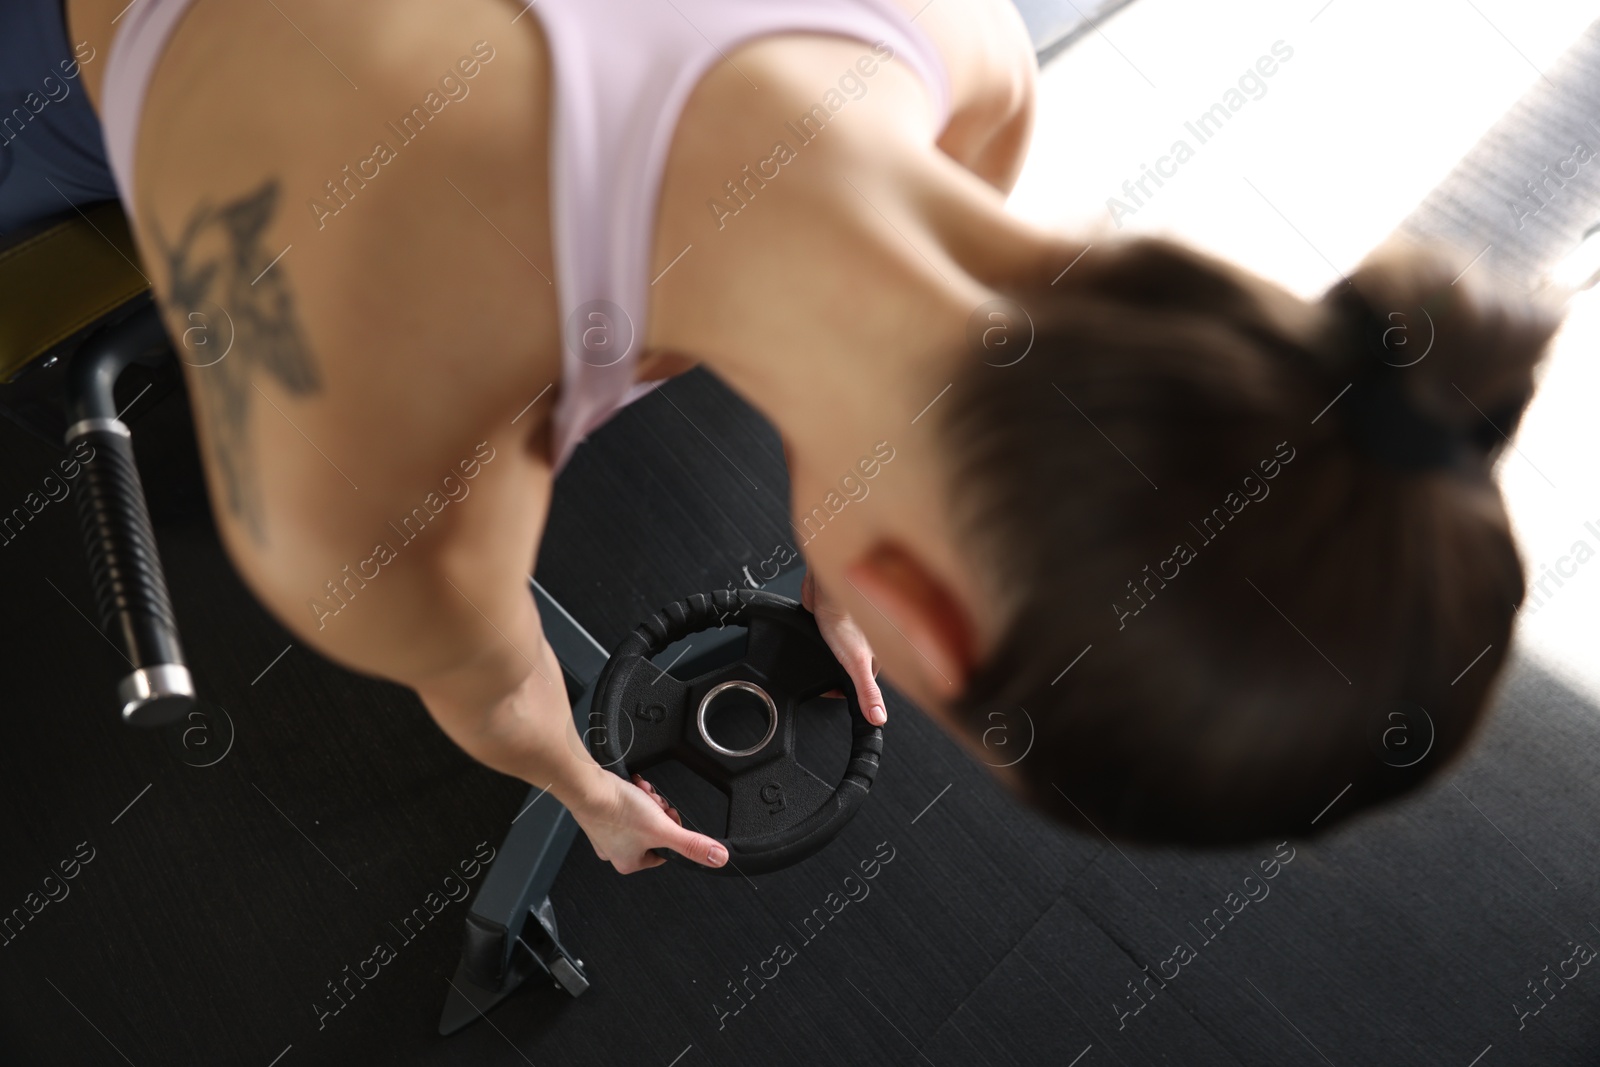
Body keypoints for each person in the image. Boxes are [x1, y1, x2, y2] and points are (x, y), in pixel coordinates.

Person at [54, 0, 1564, 871]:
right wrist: (594, 796)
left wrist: (856, 554)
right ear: (911, 619)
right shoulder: (371, 500)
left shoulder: (963, 49)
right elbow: (500, 696)